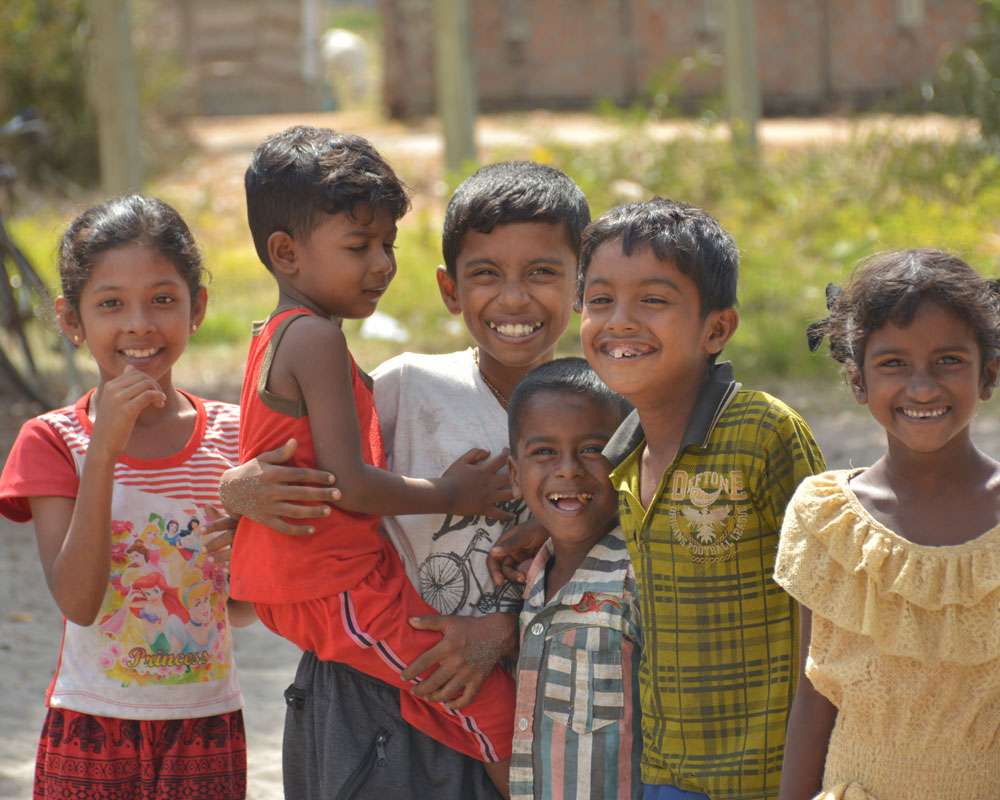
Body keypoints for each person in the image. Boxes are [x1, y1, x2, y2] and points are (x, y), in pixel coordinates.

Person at [222, 159, 589, 799]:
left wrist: (502, 631)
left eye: (542, 273)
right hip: (378, 702)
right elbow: (310, 475)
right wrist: (237, 489)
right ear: (451, 290)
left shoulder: (606, 414)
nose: (514, 298)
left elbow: (632, 558)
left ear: (581, 283)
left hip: (544, 688)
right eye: (485, 275)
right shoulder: (405, 388)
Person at [495, 198, 826, 798]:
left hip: (767, 776)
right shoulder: (622, 455)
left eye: (653, 300)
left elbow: (825, 616)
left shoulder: (761, 431)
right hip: (661, 776)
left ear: (716, 328)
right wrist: (543, 528)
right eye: (600, 301)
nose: (621, 321)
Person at [0, 195, 254, 799]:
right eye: (111, 303)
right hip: (91, 726)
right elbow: (79, 601)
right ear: (71, 320)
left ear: (198, 310)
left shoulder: (235, 436)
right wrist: (104, 450)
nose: (139, 323)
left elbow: (239, 610)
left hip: (208, 725)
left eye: (163, 299)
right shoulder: (53, 441)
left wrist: (251, 549)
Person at [774, 250, 1000, 800]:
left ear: (988, 375)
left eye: (948, 360)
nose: (922, 388)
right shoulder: (825, 517)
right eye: (893, 364)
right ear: (858, 382)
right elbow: (814, 694)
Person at [505, 358, 641, 800]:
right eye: (544, 452)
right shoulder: (531, 579)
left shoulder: (638, 580)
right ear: (514, 473)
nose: (568, 470)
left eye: (591, 450)